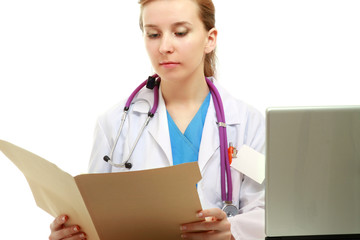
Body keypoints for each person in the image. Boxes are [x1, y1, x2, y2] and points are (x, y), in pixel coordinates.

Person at [49, 0, 265, 239]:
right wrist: (75, 232)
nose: (164, 46)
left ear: (210, 39)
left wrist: (232, 232)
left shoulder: (247, 124)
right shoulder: (115, 123)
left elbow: (266, 209)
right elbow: (94, 214)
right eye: (153, 34)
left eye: (180, 32)